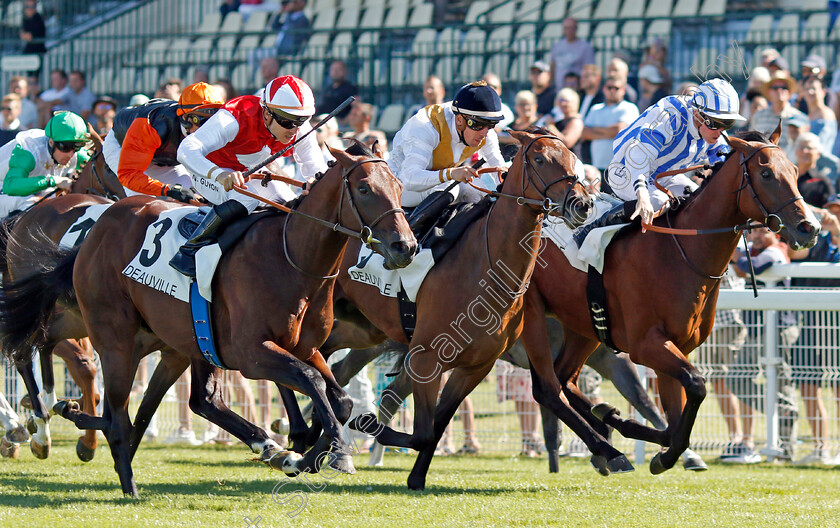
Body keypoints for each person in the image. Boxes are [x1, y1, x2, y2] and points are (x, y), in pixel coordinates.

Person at [171, 75, 327, 277]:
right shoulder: (234, 118)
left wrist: (316, 181)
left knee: (289, 203)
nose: (295, 130)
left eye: (301, 121)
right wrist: (217, 175)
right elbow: (186, 149)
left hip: (248, 171)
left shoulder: (299, 127)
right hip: (208, 170)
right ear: (267, 112)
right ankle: (191, 250)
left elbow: (315, 167)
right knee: (245, 196)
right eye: (287, 122)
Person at [574, 78, 739, 246]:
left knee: (700, 203)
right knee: (658, 201)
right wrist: (643, 195)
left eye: (727, 124)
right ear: (697, 114)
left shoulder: (711, 128)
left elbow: (721, 160)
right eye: (716, 123)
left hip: (663, 174)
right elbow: (638, 158)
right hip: (628, 169)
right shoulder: (670, 117)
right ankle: (594, 226)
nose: (720, 131)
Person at [388, 80, 506, 208]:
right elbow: (410, 178)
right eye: (478, 124)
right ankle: (413, 228)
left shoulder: (485, 132)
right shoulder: (425, 126)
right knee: (450, 187)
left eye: (491, 125)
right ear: (460, 119)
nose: (484, 133)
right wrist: (450, 173)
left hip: (437, 184)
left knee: (480, 191)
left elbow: (498, 168)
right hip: (397, 186)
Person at [103, 82, 225, 202]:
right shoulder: (152, 125)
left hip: (161, 158)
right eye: (201, 121)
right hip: (122, 147)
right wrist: (168, 190)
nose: (208, 128)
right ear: (184, 117)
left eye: (213, 121)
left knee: (197, 196)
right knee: (143, 202)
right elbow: (128, 175)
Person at [0, 111, 90, 218]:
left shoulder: (74, 153)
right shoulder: (28, 153)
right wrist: (52, 180)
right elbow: (10, 186)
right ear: (51, 142)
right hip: (6, 189)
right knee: (30, 204)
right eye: (65, 147)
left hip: (33, 191)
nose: (71, 154)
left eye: (77, 147)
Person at [579, 74, 639, 195]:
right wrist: (609, 133)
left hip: (620, 169)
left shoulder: (629, 108)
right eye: (609, 87)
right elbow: (584, 132)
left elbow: (618, 130)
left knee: (617, 205)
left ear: (623, 90)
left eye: (616, 88)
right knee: (597, 204)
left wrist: (595, 131)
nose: (612, 91)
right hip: (597, 167)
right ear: (604, 89)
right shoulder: (596, 108)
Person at [751, 71, 806, 158]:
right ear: (769, 92)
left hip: (787, 165)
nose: (780, 91)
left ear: (789, 92)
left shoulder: (799, 118)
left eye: (784, 87)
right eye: (775, 88)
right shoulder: (758, 116)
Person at [549, 17, 595, 92]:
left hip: (578, 90)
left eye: (571, 28)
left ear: (576, 29)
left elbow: (589, 69)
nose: (569, 31)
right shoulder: (557, 46)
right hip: (559, 89)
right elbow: (553, 66)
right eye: (566, 28)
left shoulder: (585, 47)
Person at [794, 132, 838, 207]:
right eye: (801, 147)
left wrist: (807, 208)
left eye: (809, 148)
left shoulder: (823, 182)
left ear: (818, 154)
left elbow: (829, 212)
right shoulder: (785, 177)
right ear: (796, 151)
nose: (805, 151)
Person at [498, 90, 540, 160]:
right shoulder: (511, 126)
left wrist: (510, 139)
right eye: (522, 104)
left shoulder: (539, 125)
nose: (526, 107)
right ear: (516, 107)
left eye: (529, 104)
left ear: (535, 106)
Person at [802, 76, 837, 156]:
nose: (810, 92)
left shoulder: (826, 115)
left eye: (814, 89)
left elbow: (822, 147)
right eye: (807, 89)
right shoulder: (807, 116)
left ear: (823, 92)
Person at [541, 88, 584, 154]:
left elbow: (567, 143)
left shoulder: (576, 121)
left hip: (571, 161)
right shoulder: (557, 120)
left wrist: (550, 126)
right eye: (560, 100)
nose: (562, 103)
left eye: (566, 101)